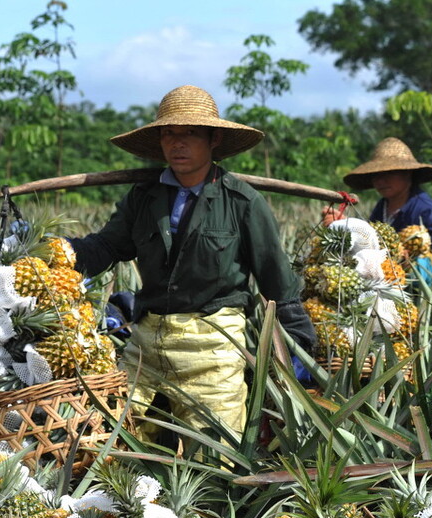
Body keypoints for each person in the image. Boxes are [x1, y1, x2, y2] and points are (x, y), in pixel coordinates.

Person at [67, 85, 316, 441]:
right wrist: (62, 252)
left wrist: (298, 346)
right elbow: (107, 246)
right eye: (169, 134)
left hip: (213, 343)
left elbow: (277, 281)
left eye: (190, 134)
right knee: (118, 440)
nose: (177, 143)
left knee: (216, 453)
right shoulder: (144, 197)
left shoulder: (243, 203)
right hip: (147, 342)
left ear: (213, 139)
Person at [323, 137, 432, 275]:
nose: (381, 181)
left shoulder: (428, 211)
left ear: (408, 172)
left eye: (389, 173)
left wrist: (412, 262)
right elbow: (373, 242)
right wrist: (347, 224)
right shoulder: (382, 206)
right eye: (376, 175)